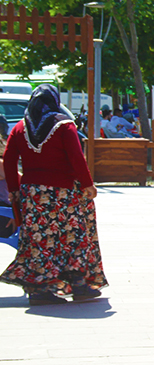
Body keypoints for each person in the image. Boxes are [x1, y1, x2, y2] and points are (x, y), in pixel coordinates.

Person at [0, 84, 107, 305]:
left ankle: (39, 291)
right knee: (72, 237)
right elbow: (77, 158)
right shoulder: (65, 126)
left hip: (33, 194)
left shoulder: (20, 128)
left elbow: (9, 161)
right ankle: (79, 286)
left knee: (39, 240)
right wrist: (88, 184)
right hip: (63, 193)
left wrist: (13, 191)